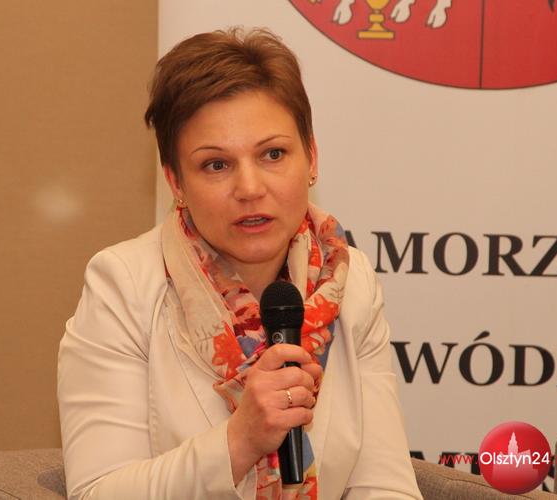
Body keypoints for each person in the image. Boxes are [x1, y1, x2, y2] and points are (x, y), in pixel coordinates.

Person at [57, 27, 422, 500]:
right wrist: (239, 440)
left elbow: (385, 485)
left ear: (311, 158)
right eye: (216, 165)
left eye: (273, 154)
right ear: (176, 182)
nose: (249, 188)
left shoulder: (349, 281)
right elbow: (98, 492)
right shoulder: (123, 286)